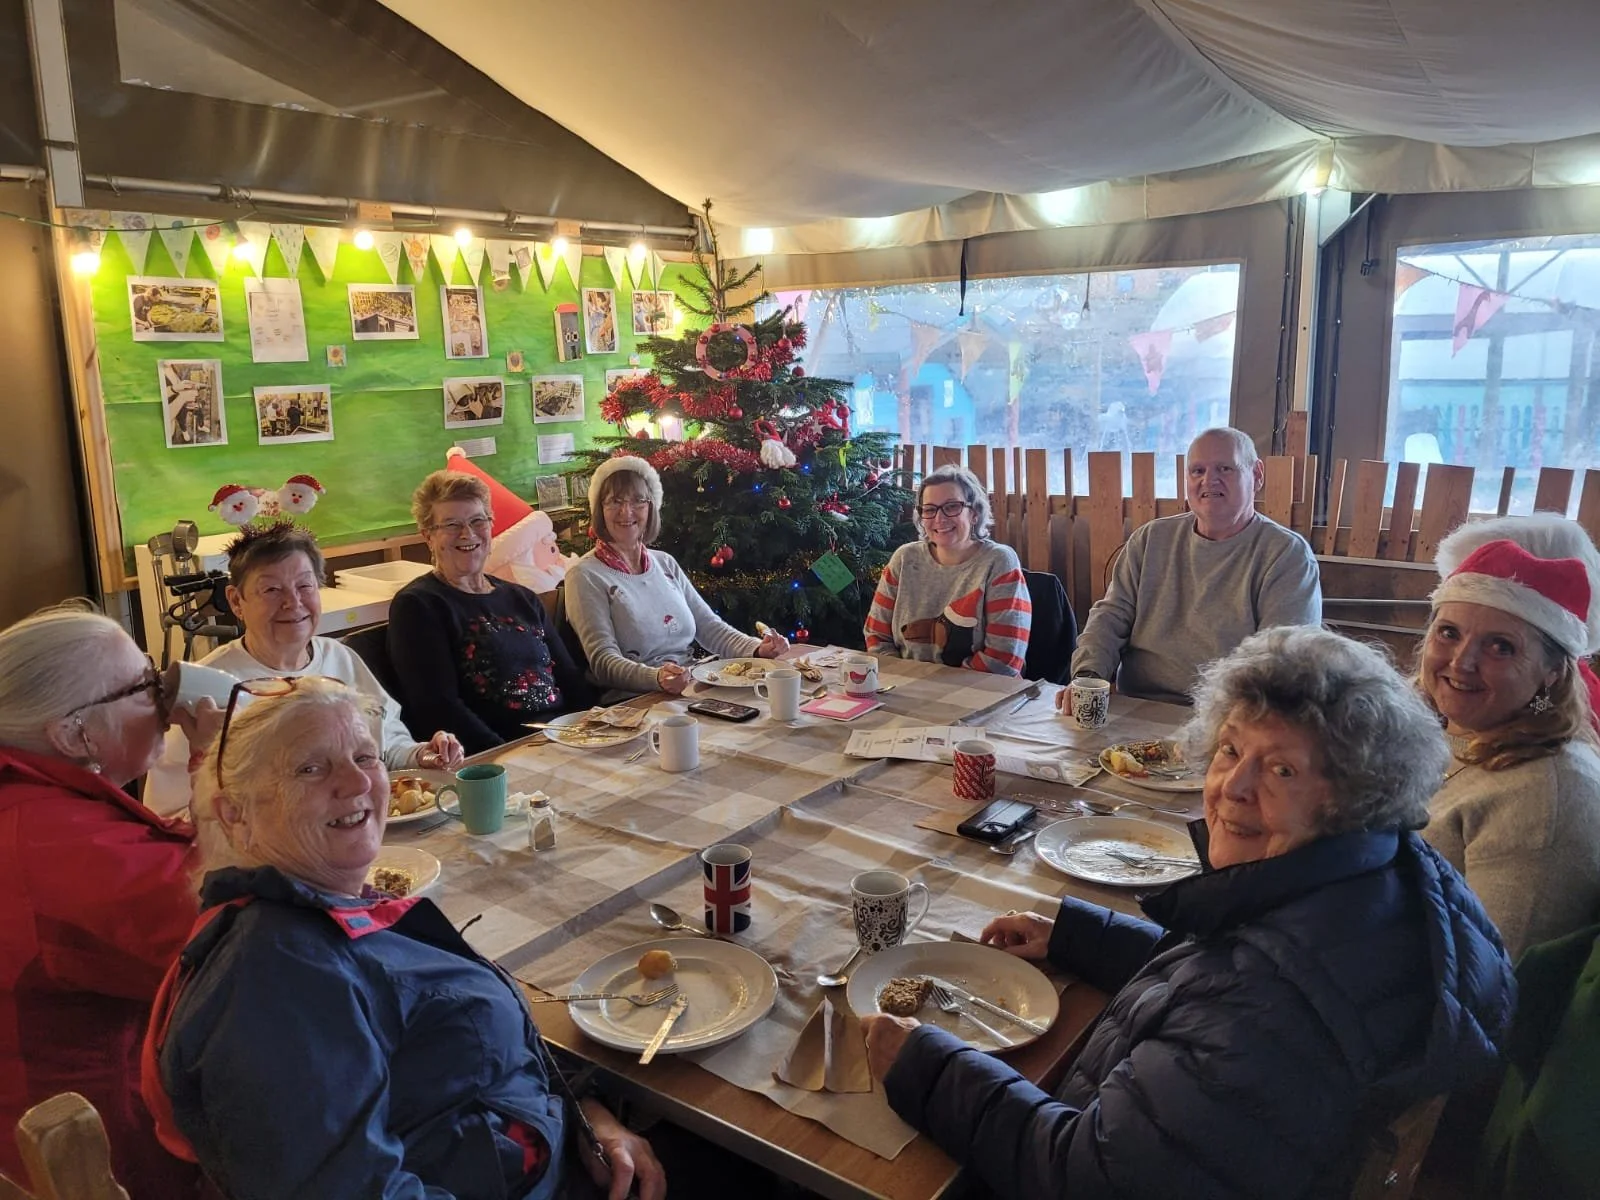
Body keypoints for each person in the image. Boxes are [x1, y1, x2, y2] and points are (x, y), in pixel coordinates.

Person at [863, 625, 1515, 1200]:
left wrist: (926, 1068)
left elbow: (1085, 1179)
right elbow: (1226, 969)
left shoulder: (1268, 1015)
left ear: (1352, 798)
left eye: (1282, 771)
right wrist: (1078, 936)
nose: (1232, 786)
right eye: (1231, 750)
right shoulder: (1378, 872)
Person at [147, 678, 664, 1200]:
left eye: (365, 756)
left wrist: (588, 1118)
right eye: (310, 768)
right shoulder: (274, 981)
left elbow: (489, 1051)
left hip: (560, 1156)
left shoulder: (337, 908)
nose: (355, 783)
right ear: (236, 816)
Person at [0, 604, 208, 1198]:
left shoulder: (29, 801)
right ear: (73, 733)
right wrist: (223, 768)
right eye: (144, 685)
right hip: (91, 1158)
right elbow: (231, 937)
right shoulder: (59, 843)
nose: (166, 701)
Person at [145, 522, 462, 815]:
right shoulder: (206, 690)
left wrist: (422, 756)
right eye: (271, 590)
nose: (292, 603)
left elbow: (385, 746)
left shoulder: (341, 659)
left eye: (305, 586)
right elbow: (171, 814)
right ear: (236, 601)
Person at [1418, 523, 1600, 960]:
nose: (1461, 663)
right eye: (1448, 633)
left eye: (1501, 647)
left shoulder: (1543, 795)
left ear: (1552, 672)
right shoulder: (1429, 722)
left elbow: (1495, 976)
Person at [1067, 426, 1322, 704]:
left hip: (1233, 719)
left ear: (1257, 475)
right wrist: (1088, 676)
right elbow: (1110, 618)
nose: (1209, 481)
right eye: (1197, 471)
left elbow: (1283, 663)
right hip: (1138, 704)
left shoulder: (1286, 555)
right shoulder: (1150, 540)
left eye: (1225, 468)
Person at [388, 470, 593, 753]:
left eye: (477, 521)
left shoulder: (523, 598)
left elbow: (570, 679)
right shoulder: (419, 606)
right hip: (496, 757)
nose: (467, 533)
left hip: (563, 740)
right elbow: (438, 707)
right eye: (451, 524)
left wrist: (592, 731)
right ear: (428, 537)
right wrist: (505, 756)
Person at [565, 456, 786, 697]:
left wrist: (757, 649)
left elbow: (709, 627)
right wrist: (657, 678)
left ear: (651, 507)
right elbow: (603, 662)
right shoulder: (584, 575)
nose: (626, 512)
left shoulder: (664, 563)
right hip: (633, 704)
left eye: (639, 501)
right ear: (599, 509)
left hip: (690, 689)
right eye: (614, 501)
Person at [864, 463, 1031, 674]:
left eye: (952, 507)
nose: (939, 518)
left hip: (981, 693)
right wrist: (907, 680)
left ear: (974, 514)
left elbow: (1004, 659)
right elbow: (876, 636)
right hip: (906, 687)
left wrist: (935, 685)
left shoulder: (999, 562)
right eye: (930, 509)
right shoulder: (904, 558)